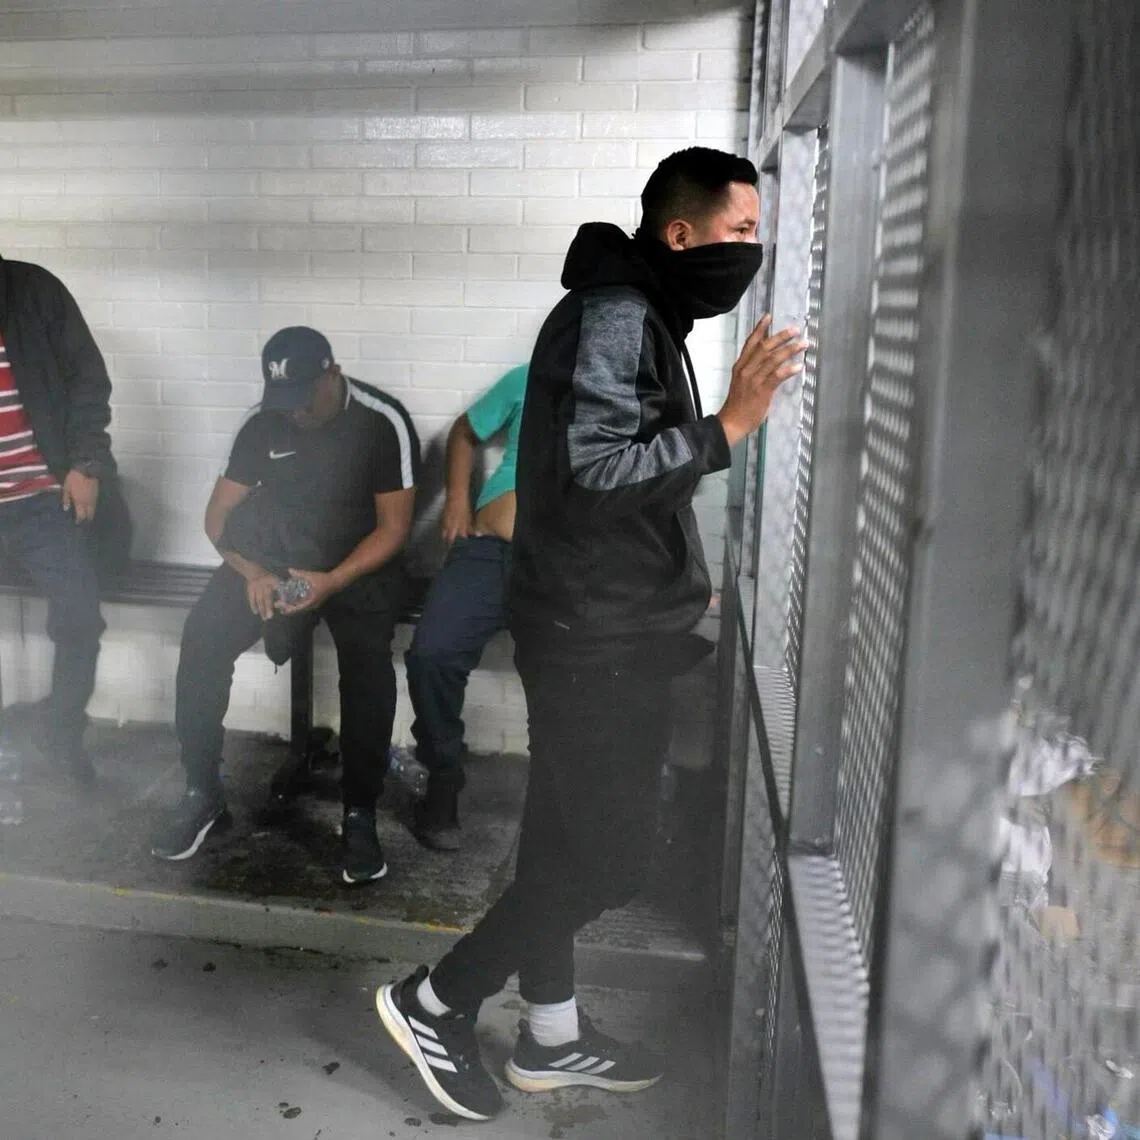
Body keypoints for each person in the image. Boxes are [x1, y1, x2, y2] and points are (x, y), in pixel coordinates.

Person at [375, 147, 805, 1119]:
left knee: (559, 847)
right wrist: (727, 427)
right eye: (741, 229)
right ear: (680, 232)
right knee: (608, 859)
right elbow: (604, 472)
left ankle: (550, 1037)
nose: (752, 246)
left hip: (597, 622)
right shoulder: (619, 312)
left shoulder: (639, 307)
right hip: (593, 641)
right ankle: (436, 999)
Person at [150, 327, 420, 885]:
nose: (294, 413)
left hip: (355, 564)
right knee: (202, 638)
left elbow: (395, 529)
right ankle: (203, 793)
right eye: (284, 402)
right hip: (275, 562)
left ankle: (358, 811)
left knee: (368, 663)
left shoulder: (380, 421)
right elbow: (217, 520)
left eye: (304, 398)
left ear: (332, 373)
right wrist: (254, 572)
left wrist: (333, 579)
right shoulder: (260, 422)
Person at [0, 255, 130, 786]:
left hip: (41, 495)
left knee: (78, 614)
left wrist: (85, 465)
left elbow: (88, 380)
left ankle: (62, 734)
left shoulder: (34, 291)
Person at [404, 364, 527, 852]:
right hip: (489, 550)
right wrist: (457, 496)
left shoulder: (631, 388)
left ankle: (568, 802)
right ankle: (442, 778)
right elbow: (465, 430)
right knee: (431, 654)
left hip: (568, 567)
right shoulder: (531, 375)